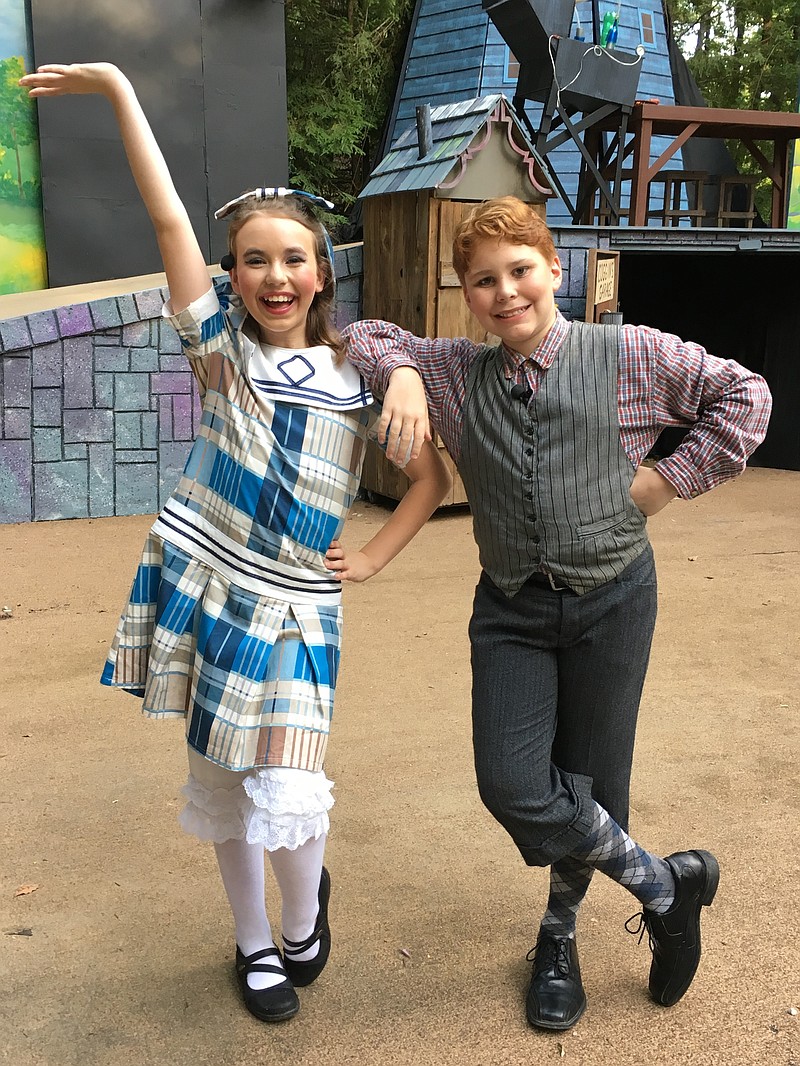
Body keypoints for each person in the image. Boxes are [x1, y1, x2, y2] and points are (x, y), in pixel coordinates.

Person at [19, 63, 451, 1025]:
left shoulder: (360, 370)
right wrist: (123, 92)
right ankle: (254, 945)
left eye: (293, 258)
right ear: (233, 275)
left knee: (289, 778)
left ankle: (302, 927)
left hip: (300, 604)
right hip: (212, 586)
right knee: (220, 775)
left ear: (322, 271)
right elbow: (169, 219)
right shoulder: (222, 356)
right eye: (253, 259)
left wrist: (375, 555)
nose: (274, 276)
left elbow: (429, 479)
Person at [343, 196, 772, 1030]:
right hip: (511, 609)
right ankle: (663, 886)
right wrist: (398, 370)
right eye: (482, 281)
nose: (505, 293)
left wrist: (667, 479)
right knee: (511, 781)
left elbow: (744, 396)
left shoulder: (630, 354)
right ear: (465, 293)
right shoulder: (454, 374)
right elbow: (360, 334)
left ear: (555, 269)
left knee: (596, 782)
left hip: (615, 599)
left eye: (521, 271)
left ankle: (559, 932)